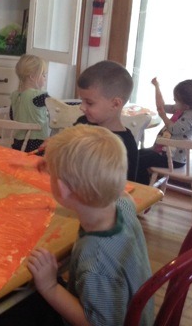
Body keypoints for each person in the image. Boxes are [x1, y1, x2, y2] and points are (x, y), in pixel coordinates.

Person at [27, 125, 154, 326]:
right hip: (132, 310)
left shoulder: (96, 261)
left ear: (62, 188)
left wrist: (50, 286)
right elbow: (118, 189)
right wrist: (57, 162)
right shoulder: (124, 205)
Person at [134, 77, 192, 185]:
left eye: (176, 100)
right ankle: (136, 183)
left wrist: (163, 116)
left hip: (175, 159)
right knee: (135, 154)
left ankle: (143, 187)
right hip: (164, 153)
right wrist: (157, 87)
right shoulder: (185, 108)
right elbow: (161, 107)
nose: (174, 102)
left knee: (140, 161)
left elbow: (174, 129)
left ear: (186, 105)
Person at [75, 60, 138, 181]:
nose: (82, 107)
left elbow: (126, 187)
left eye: (89, 103)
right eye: (82, 100)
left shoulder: (125, 145)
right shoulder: (82, 123)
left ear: (115, 104)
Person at [9, 54, 50, 152]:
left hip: (18, 142)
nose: (45, 78)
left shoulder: (15, 95)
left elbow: (12, 116)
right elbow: (56, 108)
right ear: (32, 77)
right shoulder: (39, 96)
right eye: (43, 74)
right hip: (37, 142)